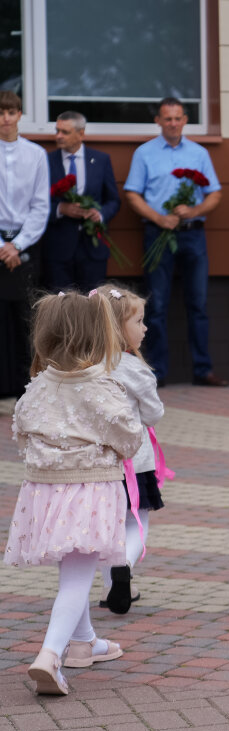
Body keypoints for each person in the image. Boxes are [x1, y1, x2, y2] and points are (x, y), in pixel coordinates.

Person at [4, 291, 143, 695]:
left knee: (71, 569)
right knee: (78, 577)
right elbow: (130, 439)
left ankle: (84, 641)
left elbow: (21, 432)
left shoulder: (36, 388)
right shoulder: (102, 387)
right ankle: (50, 654)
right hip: (91, 491)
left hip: (44, 493)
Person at [124, 97, 228, 387]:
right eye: (167, 118)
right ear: (158, 121)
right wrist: (159, 218)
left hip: (193, 234)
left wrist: (194, 210)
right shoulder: (144, 153)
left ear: (185, 120)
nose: (172, 123)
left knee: (199, 304)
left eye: (177, 118)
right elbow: (132, 194)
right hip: (158, 234)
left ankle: (203, 370)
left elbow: (215, 194)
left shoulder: (199, 153)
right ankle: (157, 372)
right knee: (156, 307)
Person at [92, 284, 165, 615]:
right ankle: (124, 567)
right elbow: (153, 414)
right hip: (134, 463)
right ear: (118, 328)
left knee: (107, 526)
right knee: (136, 522)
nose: (145, 328)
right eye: (138, 322)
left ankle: (112, 588)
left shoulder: (84, 366)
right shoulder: (135, 369)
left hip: (96, 464)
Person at [0, 90, 50, 398]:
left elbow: (40, 205)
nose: (5, 118)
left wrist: (16, 245)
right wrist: (2, 246)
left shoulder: (36, 155)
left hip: (25, 244)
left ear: (20, 115)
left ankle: (28, 390)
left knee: (25, 319)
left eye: (10, 112)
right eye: (0, 112)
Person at [43, 111, 121, 293]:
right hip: (58, 248)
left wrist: (100, 214)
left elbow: (113, 200)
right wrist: (60, 209)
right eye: (57, 131)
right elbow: (36, 203)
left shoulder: (101, 160)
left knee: (93, 303)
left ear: (81, 134)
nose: (58, 136)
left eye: (65, 132)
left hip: (93, 248)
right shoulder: (46, 161)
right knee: (61, 304)